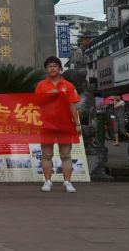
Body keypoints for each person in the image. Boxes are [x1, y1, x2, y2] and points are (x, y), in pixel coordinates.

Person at [35, 56, 82, 193]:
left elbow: (72, 106)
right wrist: (48, 95)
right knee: (46, 154)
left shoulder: (68, 85)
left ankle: (67, 182)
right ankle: (48, 181)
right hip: (47, 124)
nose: (52, 68)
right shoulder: (41, 85)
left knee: (65, 154)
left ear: (60, 68)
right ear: (46, 69)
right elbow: (37, 104)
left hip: (65, 124)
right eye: (49, 66)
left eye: (55, 65)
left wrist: (77, 124)